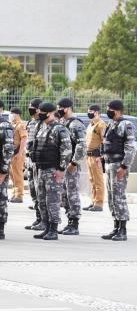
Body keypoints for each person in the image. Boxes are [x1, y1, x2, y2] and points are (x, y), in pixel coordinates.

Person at [31, 102, 72, 240]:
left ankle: (53, 229)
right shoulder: (41, 127)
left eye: (41, 112)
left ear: (49, 113)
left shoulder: (59, 129)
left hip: (52, 170)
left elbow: (66, 151)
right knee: (42, 200)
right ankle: (46, 226)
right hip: (41, 169)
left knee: (52, 200)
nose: (39, 114)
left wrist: (61, 169)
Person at [100, 100, 135, 241]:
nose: (108, 111)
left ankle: (123, 229)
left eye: (110, 109)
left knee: (119, 196)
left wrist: (124, 166)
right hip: (109, 165)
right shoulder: (111, 125)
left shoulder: (126, 125)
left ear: (118, 110)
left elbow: (130, 148)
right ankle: (116, 226)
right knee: (112, 197)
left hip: (119, 165)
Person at [55, 98, 86, 235]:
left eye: (61, 107)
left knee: (72, 193)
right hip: (63, 164)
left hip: (71, 164)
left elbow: (81, 145)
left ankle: (74, 223)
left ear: (68, 108)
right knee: (64, 194)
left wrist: (74, 163)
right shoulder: (62, 122)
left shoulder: (75, 124)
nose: (59, 110)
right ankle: (69, 221)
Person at [24, 98, 43, 230]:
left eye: (32, 107)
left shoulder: (43, 123)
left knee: (40, 191)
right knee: (33, 190)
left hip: (40, 162)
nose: (30, 109)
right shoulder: (30, 122)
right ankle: (38, 218)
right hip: (30, 162)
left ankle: (44, 219)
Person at [83, 104, 105, 212]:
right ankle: (93, 201)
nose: (89, 113)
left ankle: (99, 204)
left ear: (96, 112)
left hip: (96, 157)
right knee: (92, 180)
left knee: (98, 180)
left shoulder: (101, 125)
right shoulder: (90, 124)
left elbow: (104, 141)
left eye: (90, 111)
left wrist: (101, 156)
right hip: (89, 155)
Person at [0, 110, 13, 238]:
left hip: (0, 169)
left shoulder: (4, 125)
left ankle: (0, 229)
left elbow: (9, 149)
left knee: (1, 200)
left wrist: (3, 170)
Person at [9, 108, 26, 204]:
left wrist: (20, 153)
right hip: (13, 153)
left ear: (17, 114)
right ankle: (15, 193)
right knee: (13, 174)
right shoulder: (13, 125)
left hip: (18, 154)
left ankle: (19, 195)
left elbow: (23, 139)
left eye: (12, 114)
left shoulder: (21, 125)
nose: (11, 116)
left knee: (18, 174)